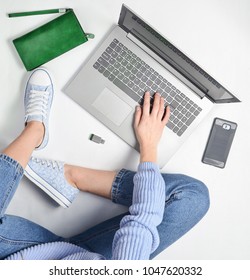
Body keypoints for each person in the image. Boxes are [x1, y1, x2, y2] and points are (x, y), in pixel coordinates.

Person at [0, 68, 209, 260]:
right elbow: (143, 220)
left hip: (27, 259)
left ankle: (35, 131)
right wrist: (149, 144)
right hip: (89, 259)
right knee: (192, 197)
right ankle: (72, 178)